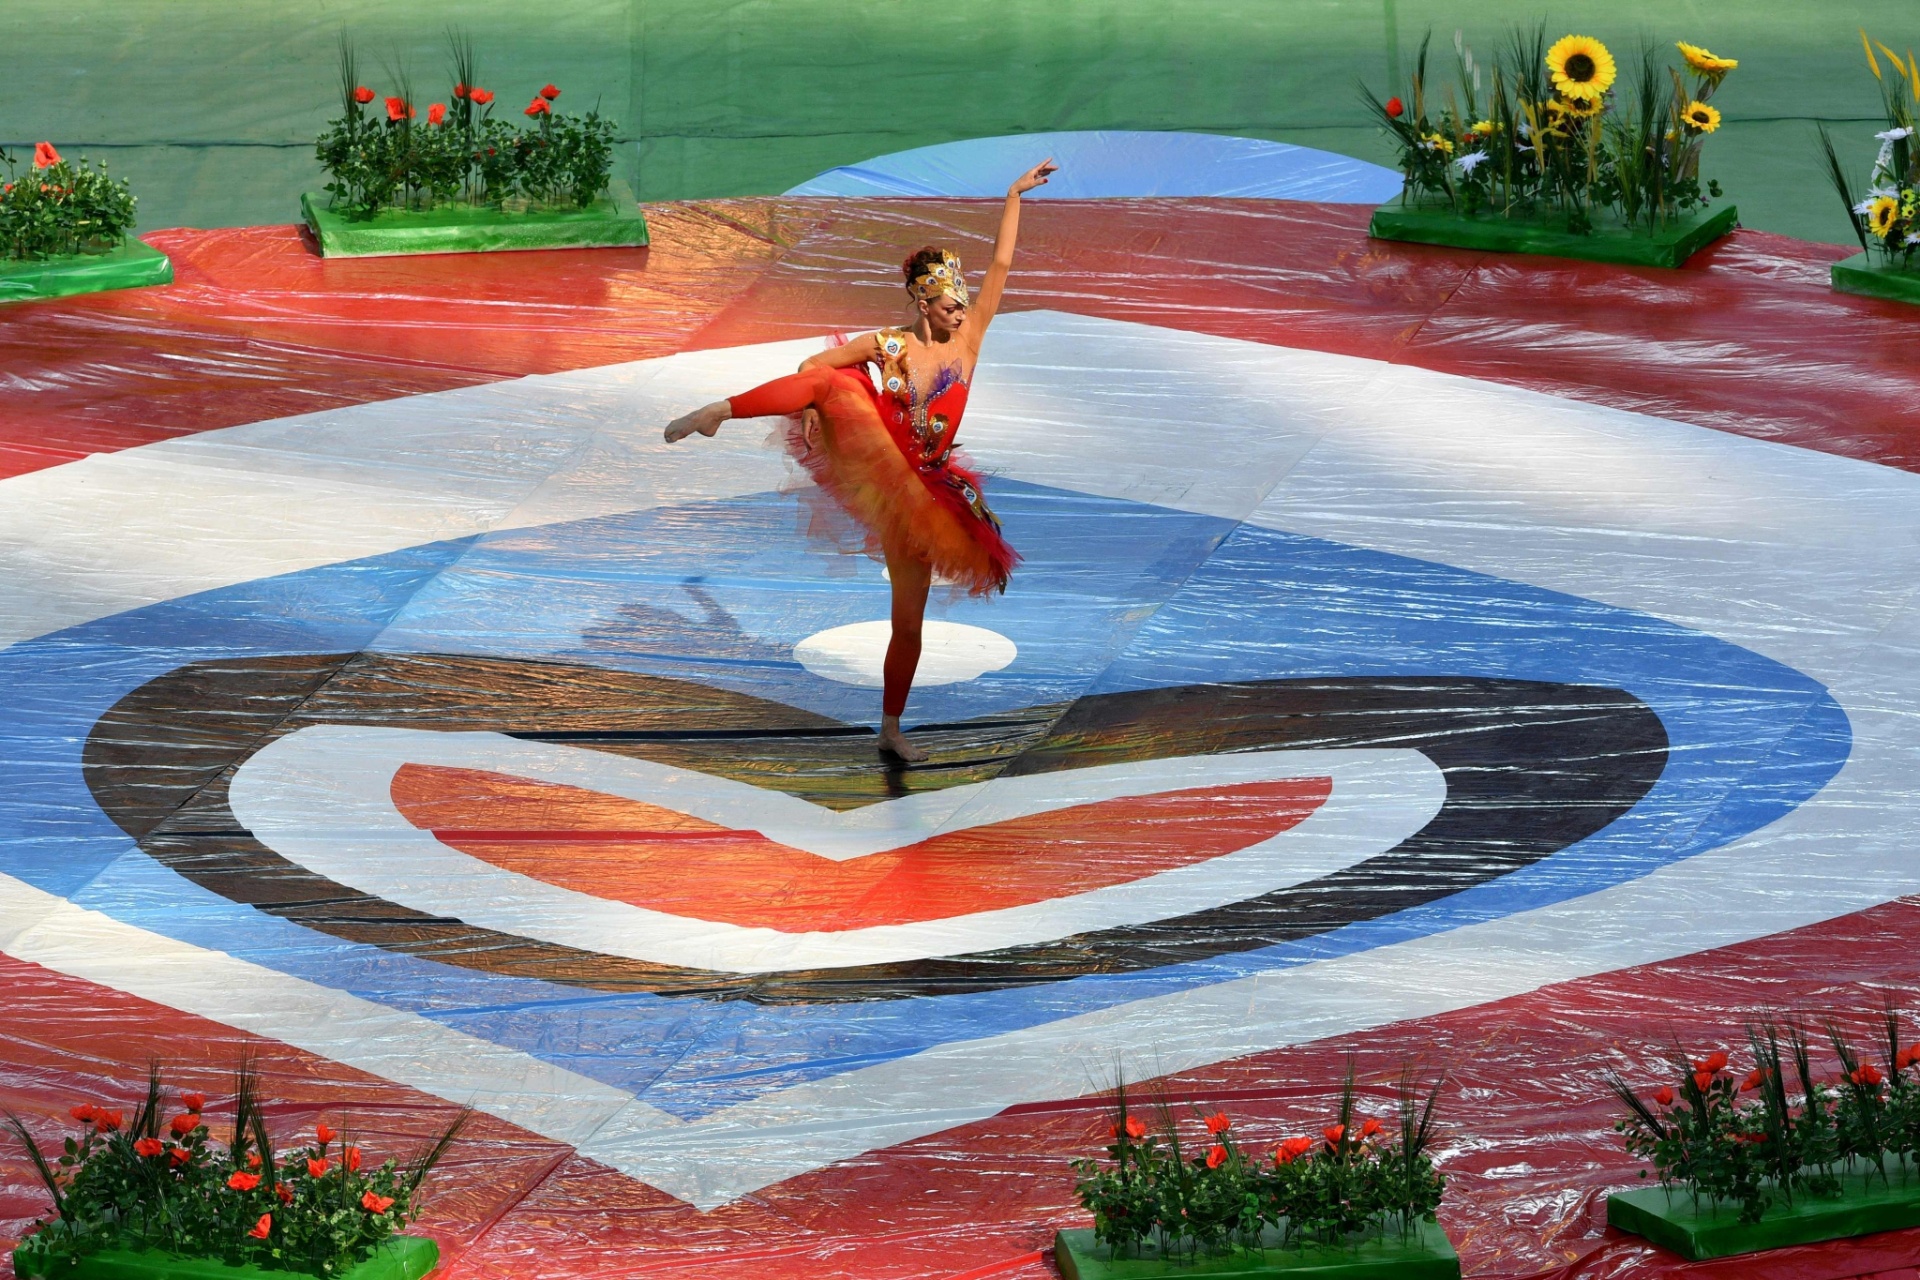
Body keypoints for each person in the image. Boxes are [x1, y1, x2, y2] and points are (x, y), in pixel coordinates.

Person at [665, 159, 1058, 762]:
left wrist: (1013, 197)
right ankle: (719, 410)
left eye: (962, 300)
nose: (962, 307)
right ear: (926, 303)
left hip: (926, 491)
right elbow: (810, 369)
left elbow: (1002, 266)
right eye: (953, 300)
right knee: (833, 385)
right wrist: (814, 413)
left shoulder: (971, 338)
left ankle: (891, 728)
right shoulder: (889, 344)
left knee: (908, 623)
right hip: (880, 457)